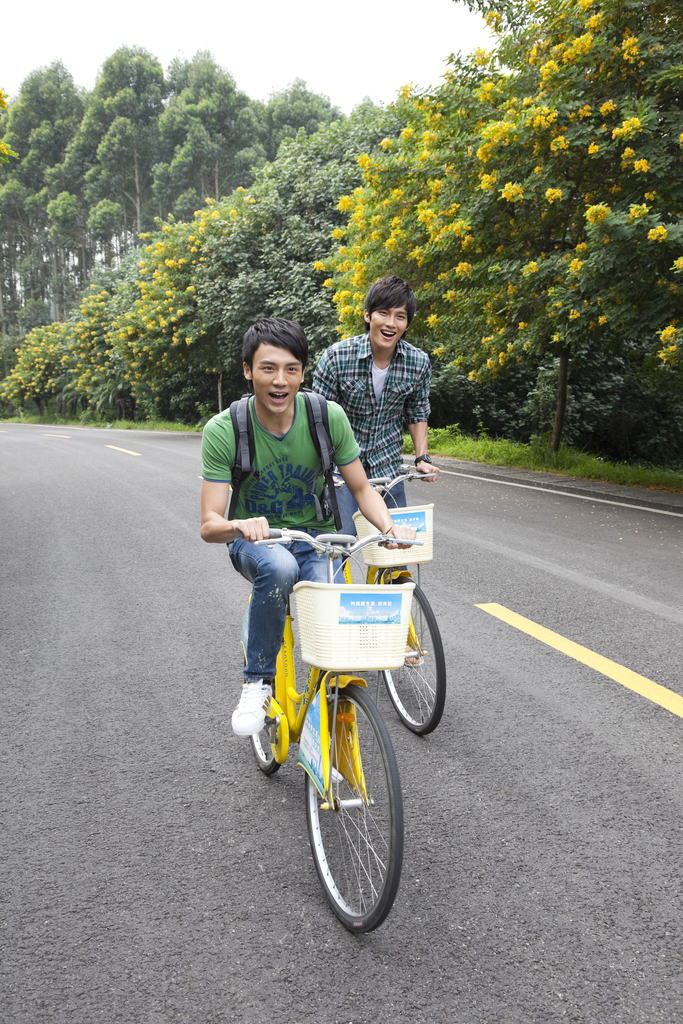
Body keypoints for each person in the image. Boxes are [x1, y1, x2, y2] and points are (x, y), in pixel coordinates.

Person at [200, 317, 415, 738]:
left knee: (332, 623)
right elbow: (210, 524)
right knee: (278, 569)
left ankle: (324, 730)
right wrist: (240, 525)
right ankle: (257, 682)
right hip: (256, 542)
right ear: (248, 371)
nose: (280, 381)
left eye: (291, 369)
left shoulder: (326, 416)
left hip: (318, 538)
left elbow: (361, 487)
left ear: (303, 372)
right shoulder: (225, 429)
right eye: (268, 368)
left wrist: (389, 528)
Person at [312, 275, 439, 534]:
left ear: (407, 324)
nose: (391, 323)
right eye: (384, 313)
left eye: (400, 316)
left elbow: (417, 412)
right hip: (341, 470)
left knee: (399, 545)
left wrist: (422, 458)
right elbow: (316, 418)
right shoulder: (336, 357)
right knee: (339, 544)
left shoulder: (418, 362)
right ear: (368, 315)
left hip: (387, 468)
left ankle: (387, 574)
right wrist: (322, 467)